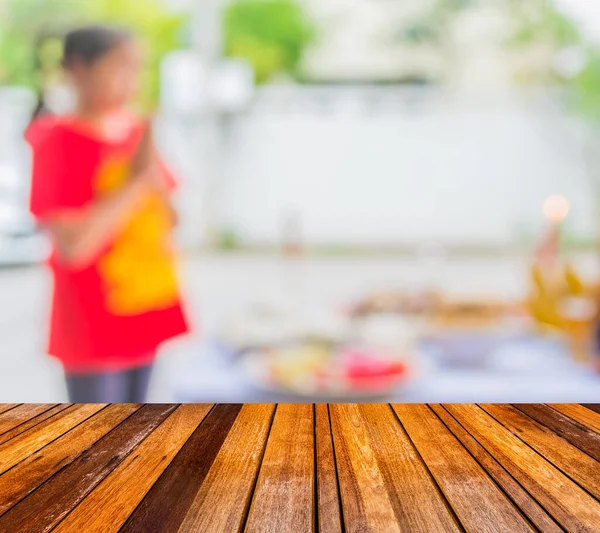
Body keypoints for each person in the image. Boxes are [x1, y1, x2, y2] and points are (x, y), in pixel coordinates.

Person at [25, 25, 189, 403]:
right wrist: (135, 183)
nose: (131, 81)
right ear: (78, 68)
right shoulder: (55, 139)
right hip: (92, 325)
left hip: (144, 308)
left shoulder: (133, 131)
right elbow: (75, 247)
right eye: (120, 67)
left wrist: (149, 162)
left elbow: (171, 221)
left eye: (136, 69)